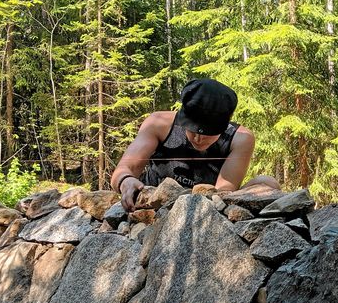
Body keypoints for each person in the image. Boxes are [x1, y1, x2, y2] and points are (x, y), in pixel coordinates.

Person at [110, 78, 279, 211]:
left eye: (207, 133)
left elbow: (222, 194)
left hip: (207, 207)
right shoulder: (158, 123)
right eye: (192, 130)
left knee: (267, 182)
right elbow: (124, 169)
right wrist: (126, 181)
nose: (198, 138)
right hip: (152, 204)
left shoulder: (240, 139)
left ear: (223, 127)